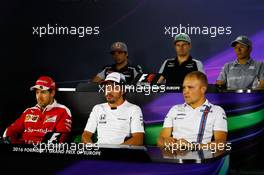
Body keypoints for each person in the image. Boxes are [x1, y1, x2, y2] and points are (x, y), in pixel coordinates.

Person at [157, 71, 227, 150]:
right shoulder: (174, 109)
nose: (185, 91)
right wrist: (165, 141)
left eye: (190, 87)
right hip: (174, 159)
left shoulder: (217, 111)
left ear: (203, 89)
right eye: (184, 87)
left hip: (200, 160)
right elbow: (160, 140)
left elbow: (221, 143)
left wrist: (192, 146)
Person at [3, 76, 72, 144]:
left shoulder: (63, 111)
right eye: (37, 92)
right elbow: (10, 130)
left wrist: (35, 147)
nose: (39, 97)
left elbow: (61, 137)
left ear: (52, 93)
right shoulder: (28, 111)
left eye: (43, 92)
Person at [82, 72, 144, 145]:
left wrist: (115, 152)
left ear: (123, 90)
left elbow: (138, 139)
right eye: (107, 87)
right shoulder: (98, 108)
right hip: (99, 152)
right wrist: (92, 148)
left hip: (121, 153)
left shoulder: (133, 109)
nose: (109, 91)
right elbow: (86, 135)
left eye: (114, 88)